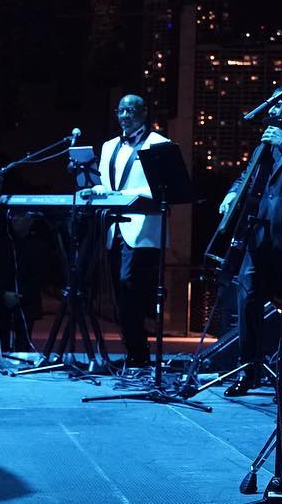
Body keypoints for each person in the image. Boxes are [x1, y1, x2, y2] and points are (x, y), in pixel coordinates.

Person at [218, 99, 282, 396]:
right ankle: (247, 370)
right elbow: (247, 176)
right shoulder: (263, 145)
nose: (272, 111)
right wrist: (232, 194)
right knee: (248, 299)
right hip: (258, 235)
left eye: (278, 106)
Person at [86, 94, 169, 367]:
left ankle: (139, 352)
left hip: (143, 230)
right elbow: (104, 182)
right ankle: (133, 352)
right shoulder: (109, 146)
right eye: (121, 110)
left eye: (130, 110)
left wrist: (122, 195)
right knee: (119, 293)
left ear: (144, 113)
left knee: (131, 287)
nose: (124, 116)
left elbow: (162, 188)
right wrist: (97, 190)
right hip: (115, 229)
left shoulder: (159, 143)